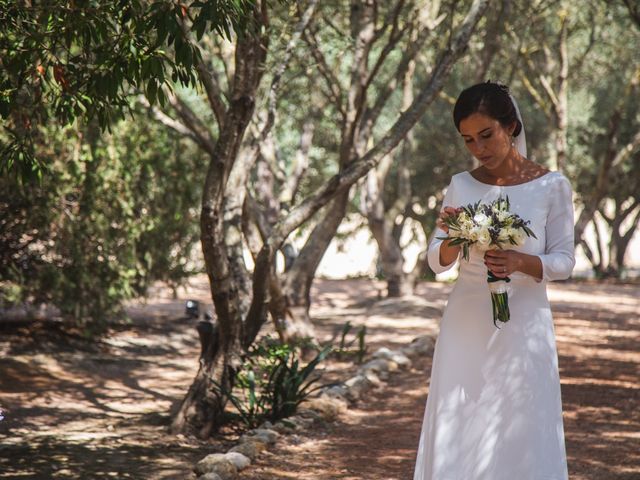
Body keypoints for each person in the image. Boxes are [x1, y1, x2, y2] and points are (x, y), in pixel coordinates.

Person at [412, 81, 575, 480]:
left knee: (522, 416)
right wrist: (453, 237)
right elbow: (436, 262)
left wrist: (521, 261)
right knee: (463, 413)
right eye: (468, 140)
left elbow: (565, 261)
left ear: (512, 127)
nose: (478, 148)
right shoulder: (460, 185)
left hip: (524, 320)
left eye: (486, 135)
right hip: (466, 320)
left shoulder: (552, 186)